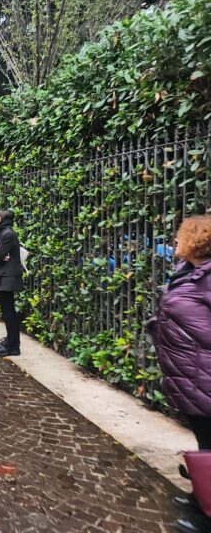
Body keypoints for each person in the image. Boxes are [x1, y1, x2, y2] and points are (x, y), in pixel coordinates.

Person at [148, 215, 211, 533]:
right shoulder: (189, 272)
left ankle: (207, 517)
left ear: (196, 241)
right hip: (189, 374)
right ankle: (199, 496)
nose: (175, 240)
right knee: (204, 441)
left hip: (204, 374)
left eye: (181, 235)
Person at [0, 209, 24, 357]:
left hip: (8, 276)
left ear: (2, 219)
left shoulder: (7, 234)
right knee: (7, 311)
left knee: (8, 312)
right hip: (6, 275)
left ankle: (13, 345)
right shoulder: (4, 233)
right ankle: (11, 341)